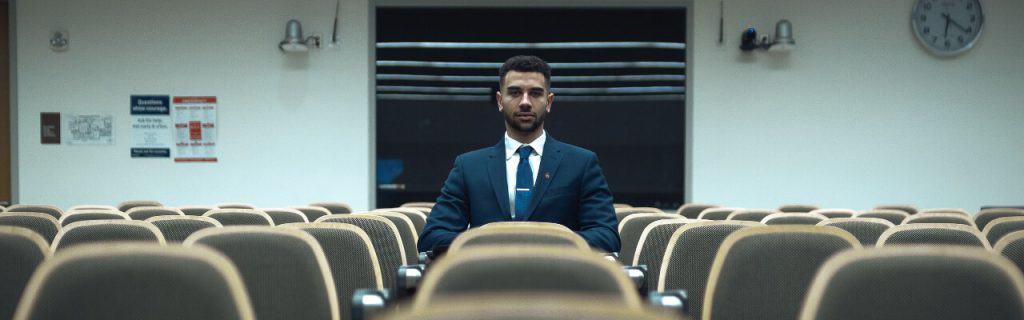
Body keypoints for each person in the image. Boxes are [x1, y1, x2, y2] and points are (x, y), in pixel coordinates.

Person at [417, 55, 620, 254]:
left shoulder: (581, 164)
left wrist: (542, 244)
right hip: (487, 282)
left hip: (559, 281)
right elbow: (432, 237)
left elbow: (607, 236)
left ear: (549, 102)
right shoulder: (468, 167)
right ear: (499, 100)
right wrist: (494, 243)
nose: (525, 102)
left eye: (535, 93)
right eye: (514, 93)